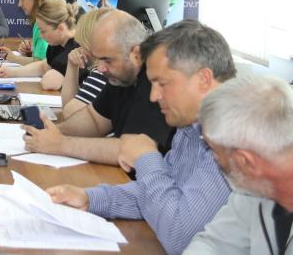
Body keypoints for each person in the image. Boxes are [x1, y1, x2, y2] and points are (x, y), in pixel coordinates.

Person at [47, 19, 235, 255]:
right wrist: (90, 198)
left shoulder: (230, 139)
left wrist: (146, 157)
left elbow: (179, 236)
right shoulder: (191, 128)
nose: (154, 96)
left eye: (162, 83)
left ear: (204, 80)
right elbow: (155, 195)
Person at [22, 9, 173, 164]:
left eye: (107, 60)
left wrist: (60, 144)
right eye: (98, 59)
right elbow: (94, 120)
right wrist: (52, 131)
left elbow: (132, 151)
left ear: (136, 54)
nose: (100, 68)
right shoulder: (122, 74)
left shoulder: (156, 82)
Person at [185, 75, 293, 255]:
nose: (212, 158)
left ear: (245, 162)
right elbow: (215, 243)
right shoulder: (255, 188)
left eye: (213, 150)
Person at [0, 0, 79, 90]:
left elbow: (50, 83)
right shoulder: (56, 44)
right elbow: (43, 66)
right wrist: (11, 72)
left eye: (43, 31)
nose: (41, 36)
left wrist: (49, 75)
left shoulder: (76, 48)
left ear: (60, 28)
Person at [59, 8, 110, 117]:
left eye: (82, 43)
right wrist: (72, 65)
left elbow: (69, 113)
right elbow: (68, 106)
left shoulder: (103, 72)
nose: (80, 48)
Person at [0, 0, 55, 65]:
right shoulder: (43, 20)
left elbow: (41, 62)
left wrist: (13, 58)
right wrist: (32, 52)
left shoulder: (45, 23)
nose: (19, 4)